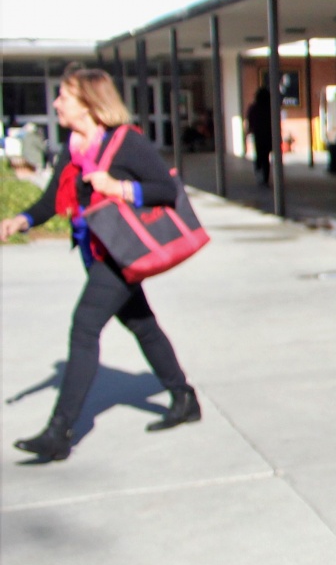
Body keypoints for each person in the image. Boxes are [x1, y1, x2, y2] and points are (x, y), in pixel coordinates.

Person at [2, 68, 201, 462]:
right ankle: (184, 397)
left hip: (120, 253)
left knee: (85, 326)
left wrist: (119, 187)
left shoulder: (127, 142)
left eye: (63, 95)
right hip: (95, 252)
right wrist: (19, 221)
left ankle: (60, 432)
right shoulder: (74, 147)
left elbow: (166, 188)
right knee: (142, 324)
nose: (56, 102)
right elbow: (48, 204)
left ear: (89, 102)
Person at [247, 81, 272, 186]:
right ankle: (265, 176)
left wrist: (249, 130)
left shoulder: (254, 108)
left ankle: (258, 167)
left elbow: (250, 120)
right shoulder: (270, 108)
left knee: (259, 154)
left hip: (258, 134)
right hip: (269, 134)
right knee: (266, 156)